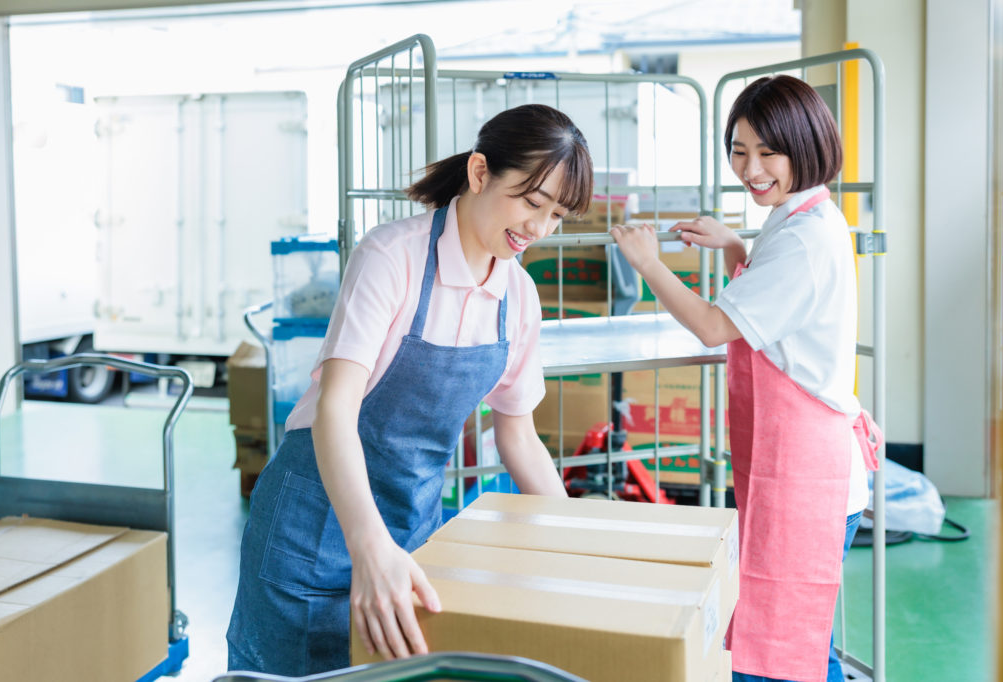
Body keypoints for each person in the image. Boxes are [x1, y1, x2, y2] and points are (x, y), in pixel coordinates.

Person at [226, 103, 593, 676]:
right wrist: (367, 547)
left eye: (558, 216)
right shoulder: (391, 256)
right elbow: (336, 408)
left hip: (412, 536)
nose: (540, 229)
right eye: (532, 202)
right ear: (479, 174)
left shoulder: (518, 297)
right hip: (312, 529)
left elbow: (517, 437)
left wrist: (580, 546)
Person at [610, 75, 883, 682]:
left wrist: (650, 262)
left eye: (768, 152)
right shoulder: (803, 215)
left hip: (810, 475)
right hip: (804, 465)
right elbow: (783, 308)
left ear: (806, 146)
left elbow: (713, 326)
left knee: (778, 650)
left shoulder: (804, 239)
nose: (751, 168)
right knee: (800, 640)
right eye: (739, 150)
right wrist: (737, 245)